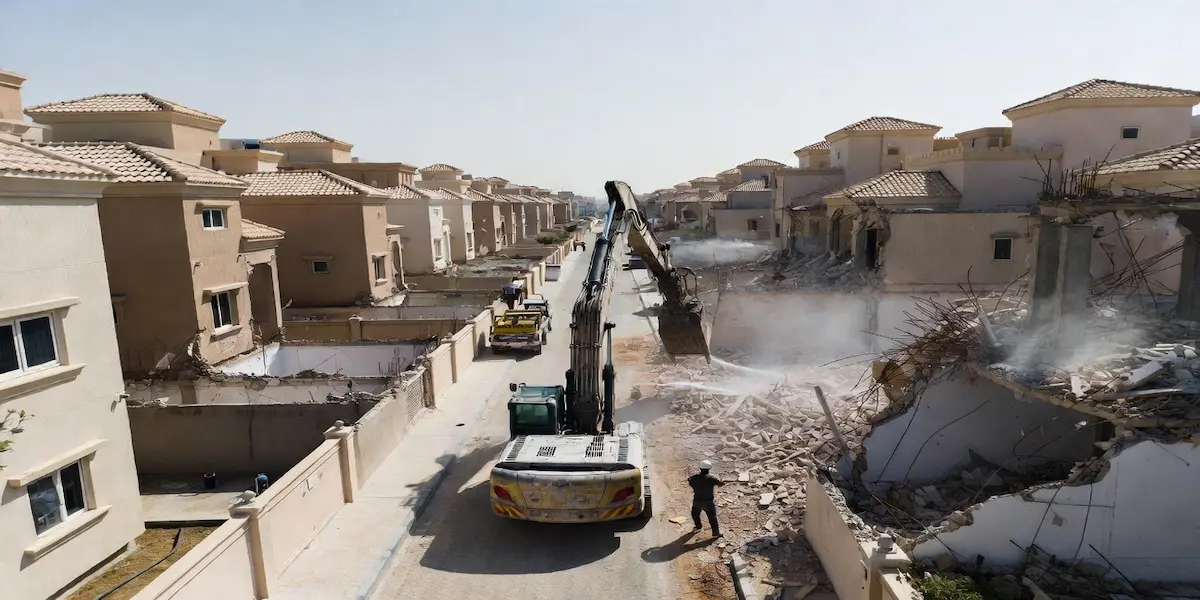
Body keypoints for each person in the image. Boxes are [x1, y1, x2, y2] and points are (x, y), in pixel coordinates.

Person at [688, 459, 723, 537]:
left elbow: (691, 483)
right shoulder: (711, 478)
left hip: (697, 501)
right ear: (709, 469)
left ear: (700, 468)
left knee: (695, 514)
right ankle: (715, 533)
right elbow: (720, 484)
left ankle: (698, 526)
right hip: (709, 502)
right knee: (712, 518)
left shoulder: (694, 478)